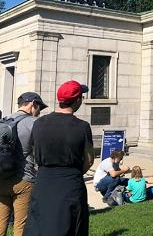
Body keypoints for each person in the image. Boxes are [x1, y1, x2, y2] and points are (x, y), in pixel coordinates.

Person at [24, 80, 94, 236]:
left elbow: (35, 153)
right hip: (70, 182)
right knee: (70, 225)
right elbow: (89, 159)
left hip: (44, 181)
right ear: (77, 100)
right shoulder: (82, 126)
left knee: (40, 225)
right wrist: (74, 173)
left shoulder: (39, 123)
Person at [0, 92, 47, 236]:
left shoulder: (4, 120)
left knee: (0, 223)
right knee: (21, 226)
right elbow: (41, 152)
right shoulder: (34, 123)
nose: (39, 112)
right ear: (33, 104)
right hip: (24, 180)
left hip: (2, 178)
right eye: (39, 108)